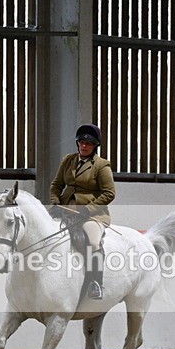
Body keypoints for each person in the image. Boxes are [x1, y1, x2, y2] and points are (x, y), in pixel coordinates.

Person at [49, 124, 116, 300]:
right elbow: (56, 185)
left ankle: (95, 282)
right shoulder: (68, 160)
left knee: (93, 242)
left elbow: (109, 193)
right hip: (65, 209)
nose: (84, 146)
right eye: (81, 142)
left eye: (88, 143)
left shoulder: (102, 166)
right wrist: (55, 201)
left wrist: (89, 209)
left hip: (91, 214)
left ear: (95, 146)